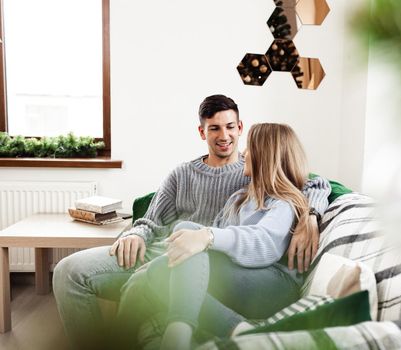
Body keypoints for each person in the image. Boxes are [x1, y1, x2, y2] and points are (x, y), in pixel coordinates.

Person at [52, 95, 330, 349]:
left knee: (177, 248)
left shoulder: (258, 176)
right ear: (202, 132)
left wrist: (312, 215)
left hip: (212, 259)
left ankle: (174, 333)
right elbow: (150, 220)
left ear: (241, 128)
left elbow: (307, 182)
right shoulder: (192, 178)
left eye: (231, 127)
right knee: (68, 271)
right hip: (168, 250)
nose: (226, 136)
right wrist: (135, 233)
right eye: (215, 128)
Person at [111, 123, 321, 350]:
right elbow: (202, 244)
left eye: (249, 147)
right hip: (241, 276)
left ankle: (176, 338)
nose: (243, 153)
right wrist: (192, 241)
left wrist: (208, 237)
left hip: (274, 285)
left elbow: (263, 244)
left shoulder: (283, 201)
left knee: (165, 266)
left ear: (265, 155)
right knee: (167, 255)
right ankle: (238, 329)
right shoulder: (239, 199)